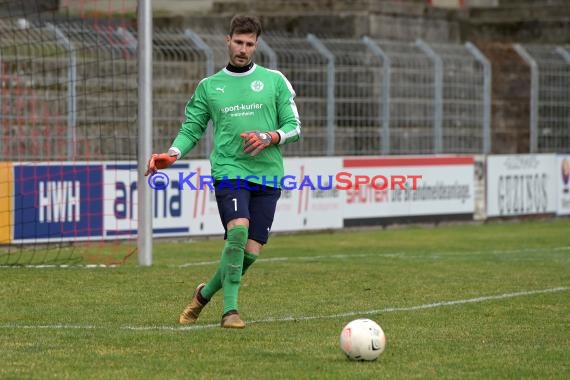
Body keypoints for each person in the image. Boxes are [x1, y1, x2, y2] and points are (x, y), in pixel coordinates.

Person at [145, 15, 301, 329]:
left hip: (268, 175)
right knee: (238, 230)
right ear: (227, 40)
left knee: (251, 252)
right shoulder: (209, 87)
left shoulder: (274, 81)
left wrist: (271, 136)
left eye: (250, 44)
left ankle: (203, 294)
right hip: (229, 171)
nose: (243, 49)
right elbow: (192, 128)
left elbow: (294, 127)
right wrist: (172, 154)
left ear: (256, 45)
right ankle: (230, 311)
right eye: (238, 42)